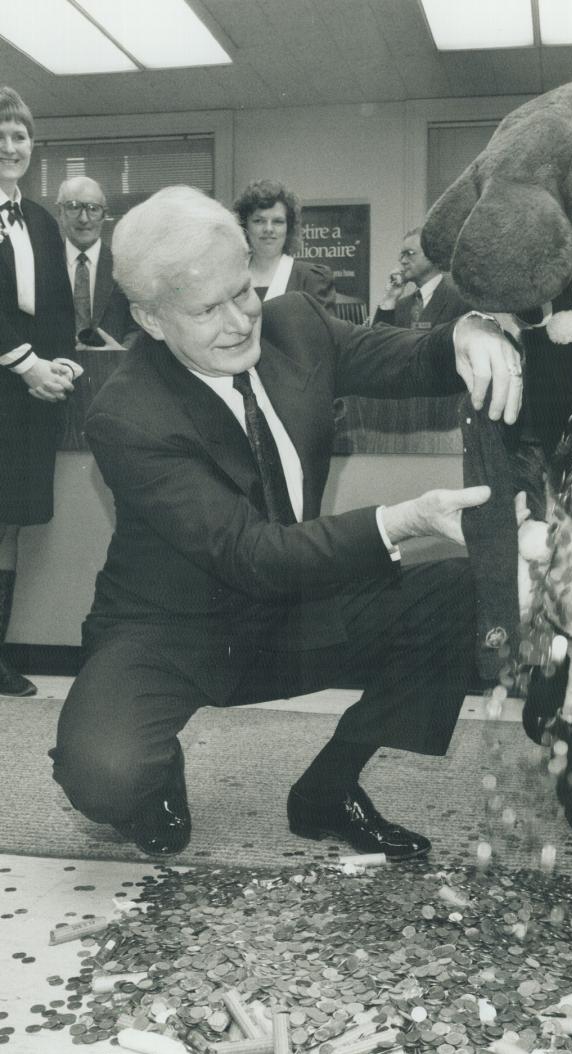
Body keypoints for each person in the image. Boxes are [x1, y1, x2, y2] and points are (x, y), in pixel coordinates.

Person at [50, 185, 522, 861]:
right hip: (173, 629)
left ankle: (329, 790)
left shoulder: (295, 323)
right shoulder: (128, 414)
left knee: (456, 590)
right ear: (151, 320)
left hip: (296, 611)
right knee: (101, 773)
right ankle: (154, 777)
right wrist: (407, 519)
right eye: (207, 309)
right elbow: (253, 554)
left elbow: (411, 358)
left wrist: (466, 332)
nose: (241, 321)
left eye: (242, 291)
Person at [0, 86, 79, 697]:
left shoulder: (44, 221)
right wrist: (25, 364)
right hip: (6, 379)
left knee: (10, 523)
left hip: (25, 401)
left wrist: (61, 367)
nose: (10, 146)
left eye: (19, 135)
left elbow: (59, 307)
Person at [57, 175, 138, 350]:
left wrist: (121, 352)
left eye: (93, 209)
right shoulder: (43, 265)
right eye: (73, 207)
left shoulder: (127, 265)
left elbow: (141, 325)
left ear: (104, 215)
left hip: (114, 371)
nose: (84, 218)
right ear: (60, 213)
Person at [234, 178, 336, 310]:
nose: (268, 229)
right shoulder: (231, 277)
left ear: (289, 228)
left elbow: (325, 330)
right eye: (259, 221)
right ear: (245, 226)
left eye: (278, 221)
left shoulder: (312, 280)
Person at [372, 227, 471, 328]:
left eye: (410, 254)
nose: (403, 261)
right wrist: (390, 298)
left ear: (432, 255)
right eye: (402, 255)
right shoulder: (402, 305)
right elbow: (377, 341)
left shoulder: (460, 300)